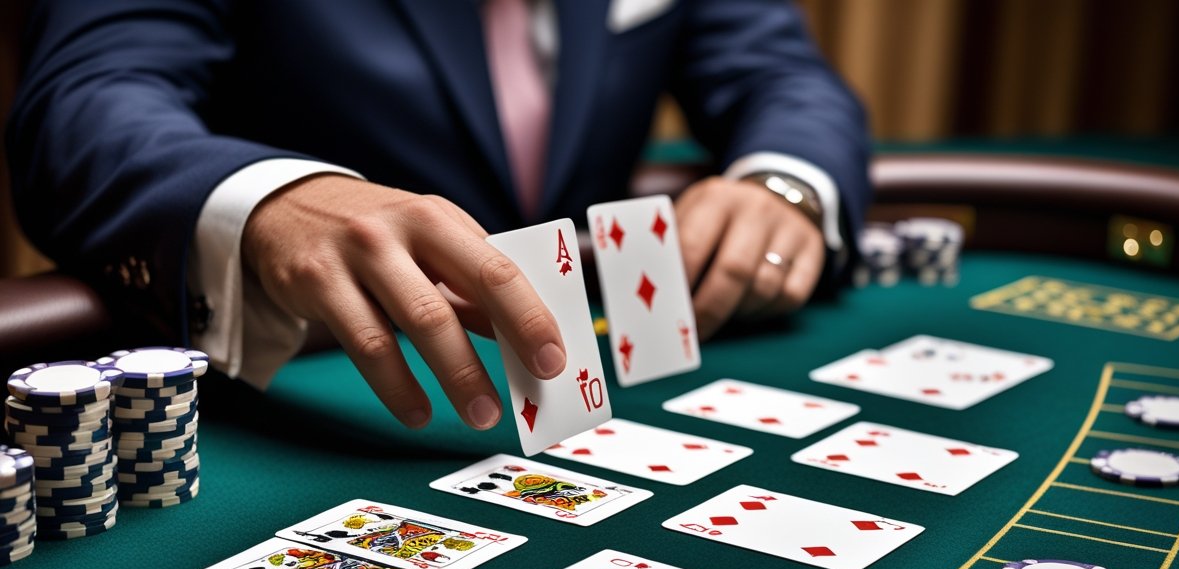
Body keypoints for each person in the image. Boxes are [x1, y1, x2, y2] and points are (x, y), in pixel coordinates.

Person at [7, 0, 870, 431]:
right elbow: (86, 99)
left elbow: (780, 75)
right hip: (287, 387)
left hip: (581, 376)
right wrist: (273, 195)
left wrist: (784, 186)